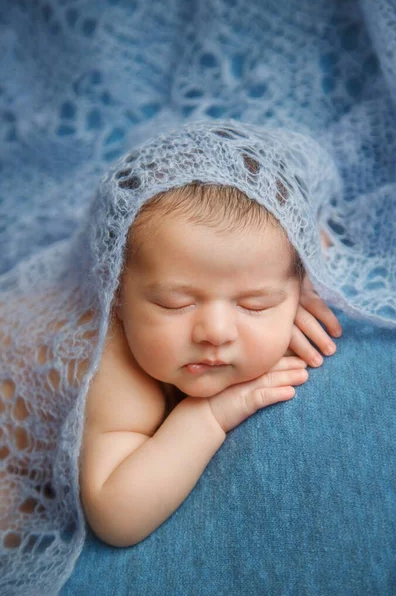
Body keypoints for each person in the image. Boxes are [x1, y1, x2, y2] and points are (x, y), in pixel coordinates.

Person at [79, 180, 342, 548]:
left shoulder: (281, 280)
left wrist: (308, 288)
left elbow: (316, 238)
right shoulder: (117, 362)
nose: (216, 332)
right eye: (175, 303)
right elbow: (114, 515)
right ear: (117, 296)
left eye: (255, 304)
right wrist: (208, 415)